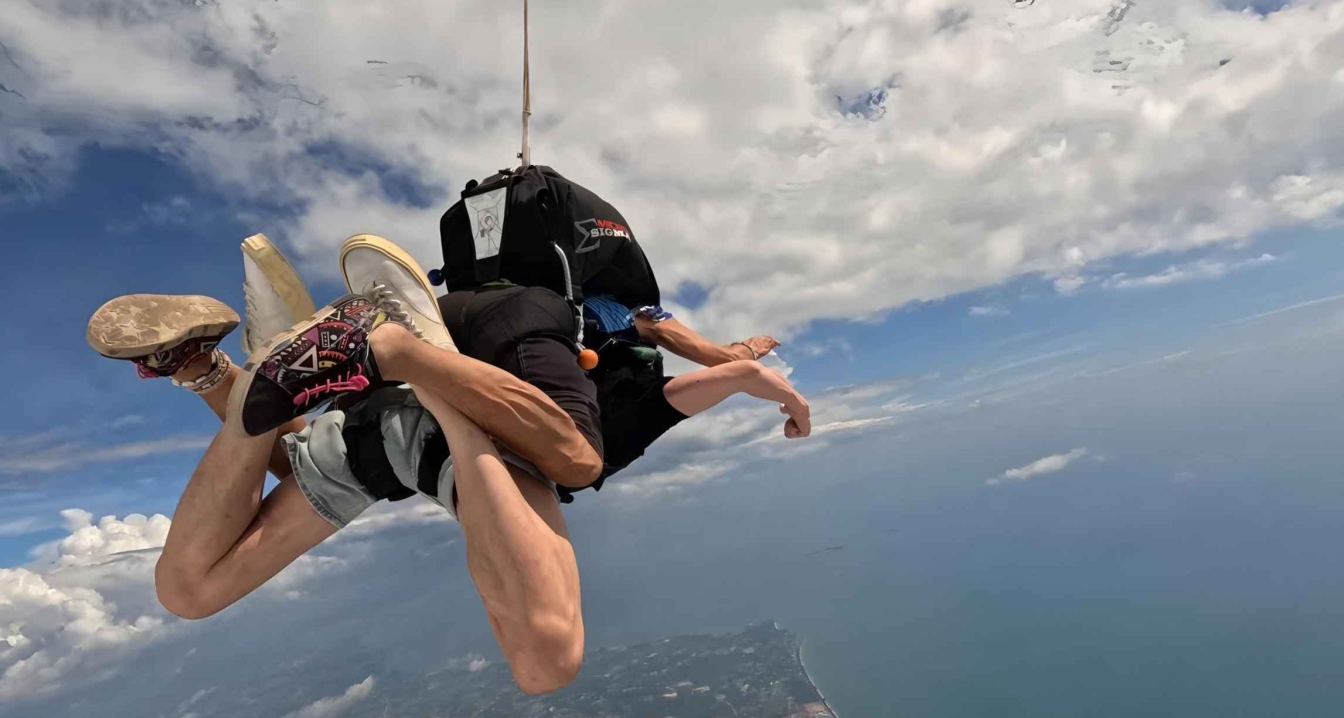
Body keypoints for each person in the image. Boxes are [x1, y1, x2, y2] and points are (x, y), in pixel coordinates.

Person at [87, 234, 810, 695]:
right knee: (578, 466)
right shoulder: (564, 336)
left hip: (386, 432)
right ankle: (398, 345)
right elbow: (669, 353)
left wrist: (752, 372)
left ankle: (220, 373)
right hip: (470, 379)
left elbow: (689, 375)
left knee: (187, 588)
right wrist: (747, 368)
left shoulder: (620, 375)